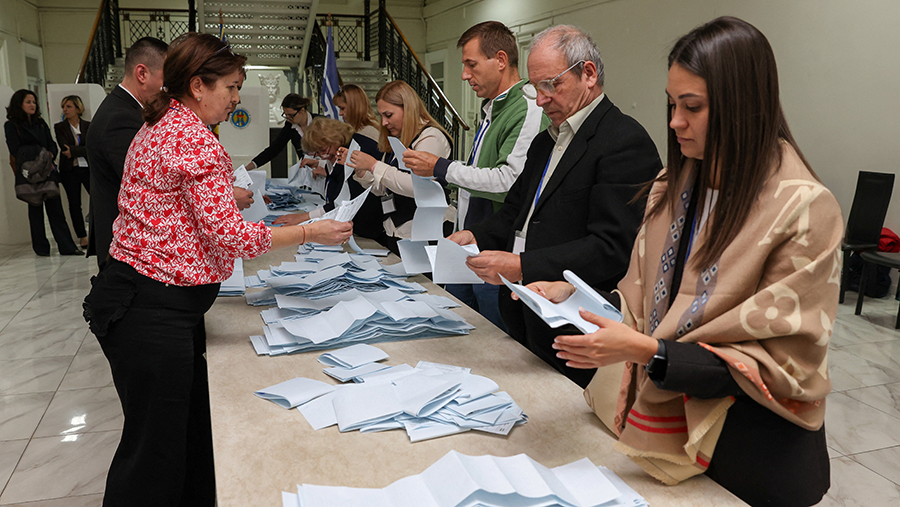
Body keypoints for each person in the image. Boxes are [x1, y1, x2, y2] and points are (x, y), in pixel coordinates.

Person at [528, 17, 837, 507]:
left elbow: (782, 363)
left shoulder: (804, 208)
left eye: (692, 107)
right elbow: (653, 298)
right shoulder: (671, 188)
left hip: (751, 449)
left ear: (743, 106)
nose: (674, 122)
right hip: (664, 429)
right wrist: (583, 298)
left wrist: (650, 351)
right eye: (672, 104)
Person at [82, 33, 352, 507]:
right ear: (197, 86)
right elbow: (232, 237)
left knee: (178, 435)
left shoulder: (164, 121)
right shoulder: (191, 136)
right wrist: (310, 231)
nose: (235, 99)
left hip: (140, 298)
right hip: (152, 308)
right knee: (153, 453)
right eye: (230, 87)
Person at [450, 25, 661, 388]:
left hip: (575, 329)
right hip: (526, 314)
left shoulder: (623, 141)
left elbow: (613, 247)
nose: (541, 100)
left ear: (588, 74)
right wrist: (476, 234)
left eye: (551, 85)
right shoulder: (546, 141)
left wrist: (523, 265)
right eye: (536, 87)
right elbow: (517, 212)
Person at [403, 21, 548, 332]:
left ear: (500, 60)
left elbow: (509, 181)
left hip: (496, 249)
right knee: (457, 330)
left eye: (471, 64)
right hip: (469, 241)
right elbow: (478, 175)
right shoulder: (493, 108)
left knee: (492, 339)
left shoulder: (527, 107)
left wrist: (441, 167)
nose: (464, 75)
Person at [86, 36, 168, 267]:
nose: (167, 89)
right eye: (166, 79)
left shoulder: (126, 109)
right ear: (142, 74)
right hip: (124, 248)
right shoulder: (120, 118)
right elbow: (147, 185)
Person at [349, 80, 453, 252]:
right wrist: (362, 172)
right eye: (381, 116)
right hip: (396, 231)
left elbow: (418, 186)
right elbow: (384, 188)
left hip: (426, 231)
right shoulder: (397, 139)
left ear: (408, 108)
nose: (384, 122)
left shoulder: (431, 137)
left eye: (388, 115)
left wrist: (374, 166)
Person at [271, 117, 385, 241]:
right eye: (317, 153)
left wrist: (303, 218)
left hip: (373, 226)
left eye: (323, 150)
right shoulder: (337, 151)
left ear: (335, 139)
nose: (323, 156)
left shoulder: (356, 151)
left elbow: (341, 200)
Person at [4, 89, 81, 256]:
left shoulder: (40, 123)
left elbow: (51, 144)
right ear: (19, 104)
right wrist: (41, 153)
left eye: (34, 102)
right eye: (28, 102)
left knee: (56, 210)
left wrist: (49, 154)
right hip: (30, 172)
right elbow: (15, 149)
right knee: (35, 211)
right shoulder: (11, 125)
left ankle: (67, 247)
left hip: (47, 170)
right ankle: (41, 249)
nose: (32, 105)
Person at [54, 95, 91, 248]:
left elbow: (91, 147)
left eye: (68, 106)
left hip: (87, 168)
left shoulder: (88, 126)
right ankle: (82, 236)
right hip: (69, 170)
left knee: (97, 199)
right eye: (63, 107)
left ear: (77, 108)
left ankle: (99, 231)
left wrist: (75, 151)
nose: (65, 110)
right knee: (74, 204)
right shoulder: (60, 127)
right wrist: (81, 150)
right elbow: (64, 148)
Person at [245, 94, 317, 170]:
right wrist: (248, 167)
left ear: (302, 110)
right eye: (286, 115)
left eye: (291, 115)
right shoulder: (290, 126)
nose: (288, 119)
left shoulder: (320, 122)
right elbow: (274, 148)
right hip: (306, 171)